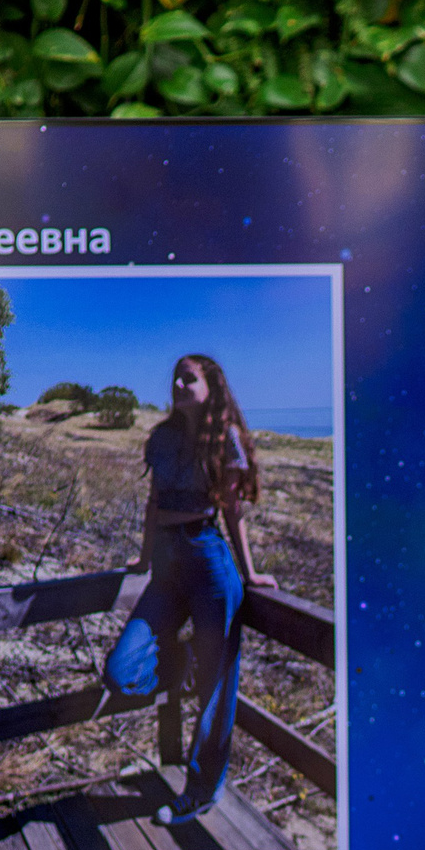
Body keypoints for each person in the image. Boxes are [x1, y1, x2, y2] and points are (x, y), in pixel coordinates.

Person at [106, 354, 275, 825]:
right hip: (167, 566)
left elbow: (233, 511)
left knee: (217, 685)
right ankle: (177, 664)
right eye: (176, 377)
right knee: (121, 671)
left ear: (212, 386)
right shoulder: (160, 438)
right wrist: (142, 557)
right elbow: (153, 503)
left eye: (190, 377)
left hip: (208, 561)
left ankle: (201, 790)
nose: (179, 383)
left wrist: (251, 572)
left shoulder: (227, 439)